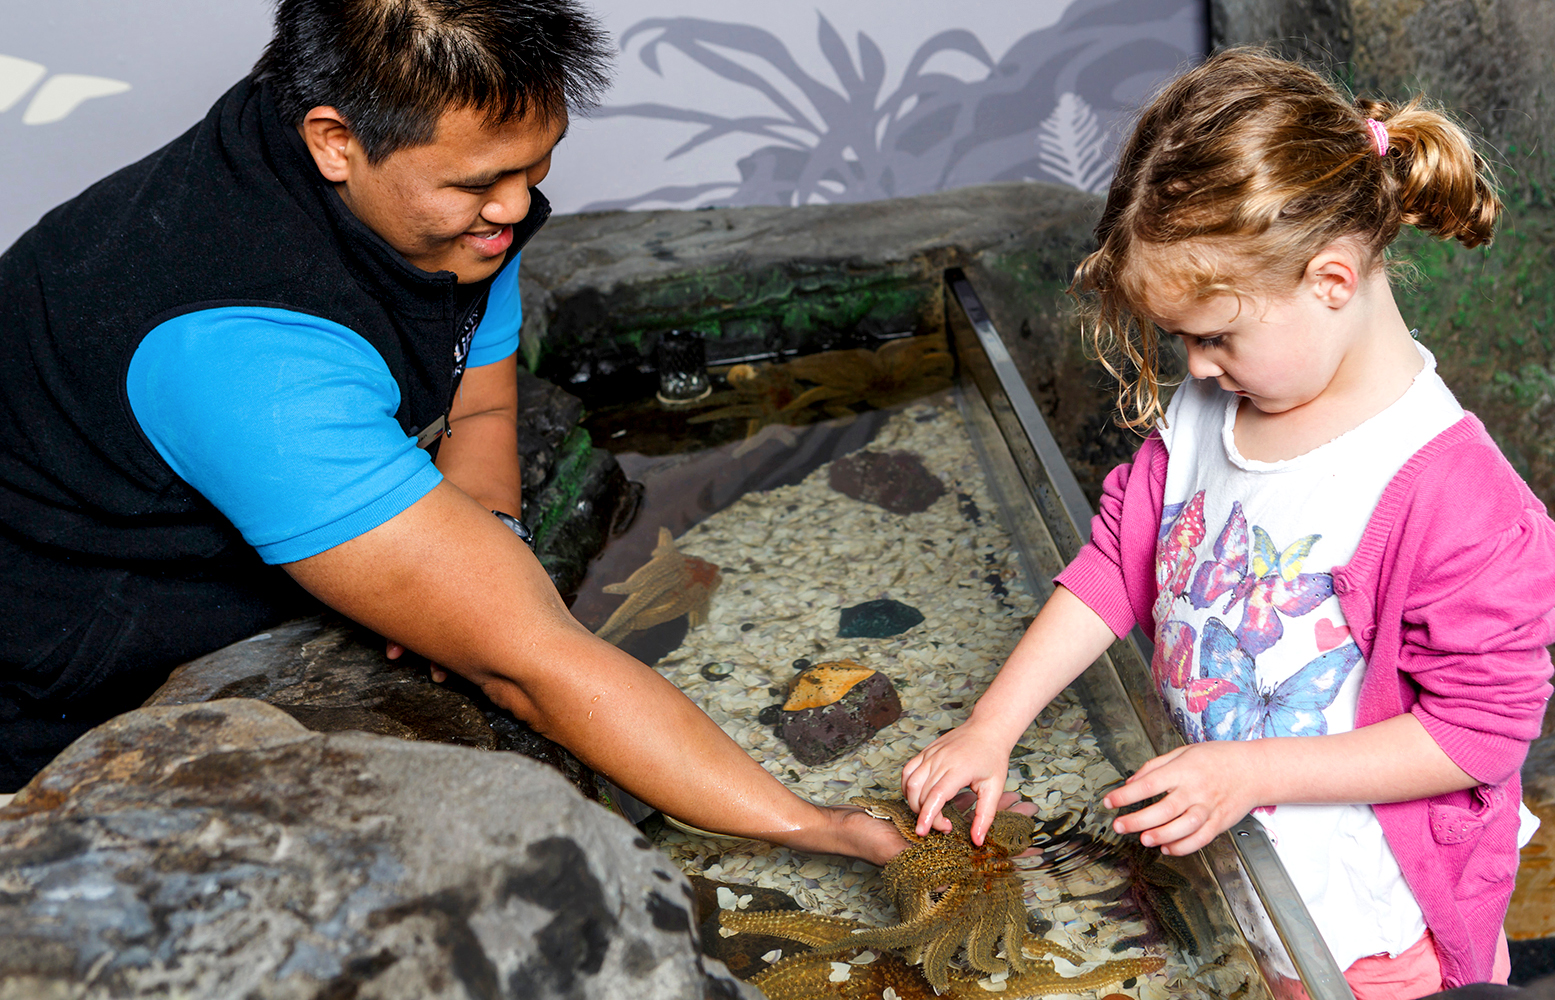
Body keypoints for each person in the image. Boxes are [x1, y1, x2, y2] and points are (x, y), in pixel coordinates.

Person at [0, 0, 908, 864]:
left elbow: (474, 395)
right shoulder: (247, 358)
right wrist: (817, 827)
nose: (514, 210)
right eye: (480, 184)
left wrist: (469, 551)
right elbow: (533, 671)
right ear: (335, 141)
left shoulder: (412, 199)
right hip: (54, 684)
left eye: (536, 165)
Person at [899, 48, 1555, 996]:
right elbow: (1116, 564)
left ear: (1332, 281)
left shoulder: (1452, 497)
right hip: (1232, 843)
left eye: (1215, 335)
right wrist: (990, 726)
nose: (1198, 367)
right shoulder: (1214, 409)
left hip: (1369, 925)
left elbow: (1476, 740)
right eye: (1182, 339)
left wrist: (1249, 772)